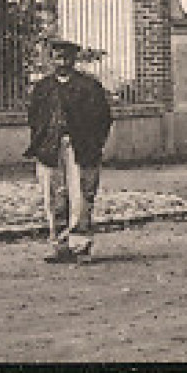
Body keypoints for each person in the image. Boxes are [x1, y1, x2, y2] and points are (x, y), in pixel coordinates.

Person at [24, 37, 114, 264]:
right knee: (54, 197)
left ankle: (80, 245)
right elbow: (34, 117)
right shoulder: (43, 88)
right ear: (51, 60)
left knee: (81, 195)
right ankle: (59, 245)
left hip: (80, 147)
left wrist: (93, 144)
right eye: (57, 57)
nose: (62, 62)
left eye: (67, 57)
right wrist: (42, 140)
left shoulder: (89, 87)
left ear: (74, 60)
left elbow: (103, 118)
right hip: (50, 148)